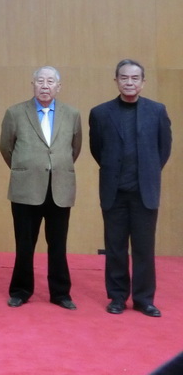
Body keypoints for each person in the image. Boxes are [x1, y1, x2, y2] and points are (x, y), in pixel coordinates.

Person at [89, 59, 172, 318]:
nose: (129, 82)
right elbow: (97, 149)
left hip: (144, 191)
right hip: (114, 191)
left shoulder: (157, 111)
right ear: (116, 80)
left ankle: (144, 299)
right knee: (115, 247)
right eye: (124, 77)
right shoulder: (101, 113)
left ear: (143, 82)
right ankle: (117, 297)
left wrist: (147, 172)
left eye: (135, 78)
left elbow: (163, 149)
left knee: (144, 248)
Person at [0, 66, 81, 310]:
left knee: (58, 244)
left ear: (59, 87)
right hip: (26, 187)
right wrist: (27, 167)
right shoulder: (15, 113)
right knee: (24, 243)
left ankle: (60, 293)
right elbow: (6, 148)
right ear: (32, 84)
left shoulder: (72, 114)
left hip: (59, 187)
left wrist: (54, 166)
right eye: (40, 81)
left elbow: (74, 149)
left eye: (51, 81)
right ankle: (21, 290)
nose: (45, 85)